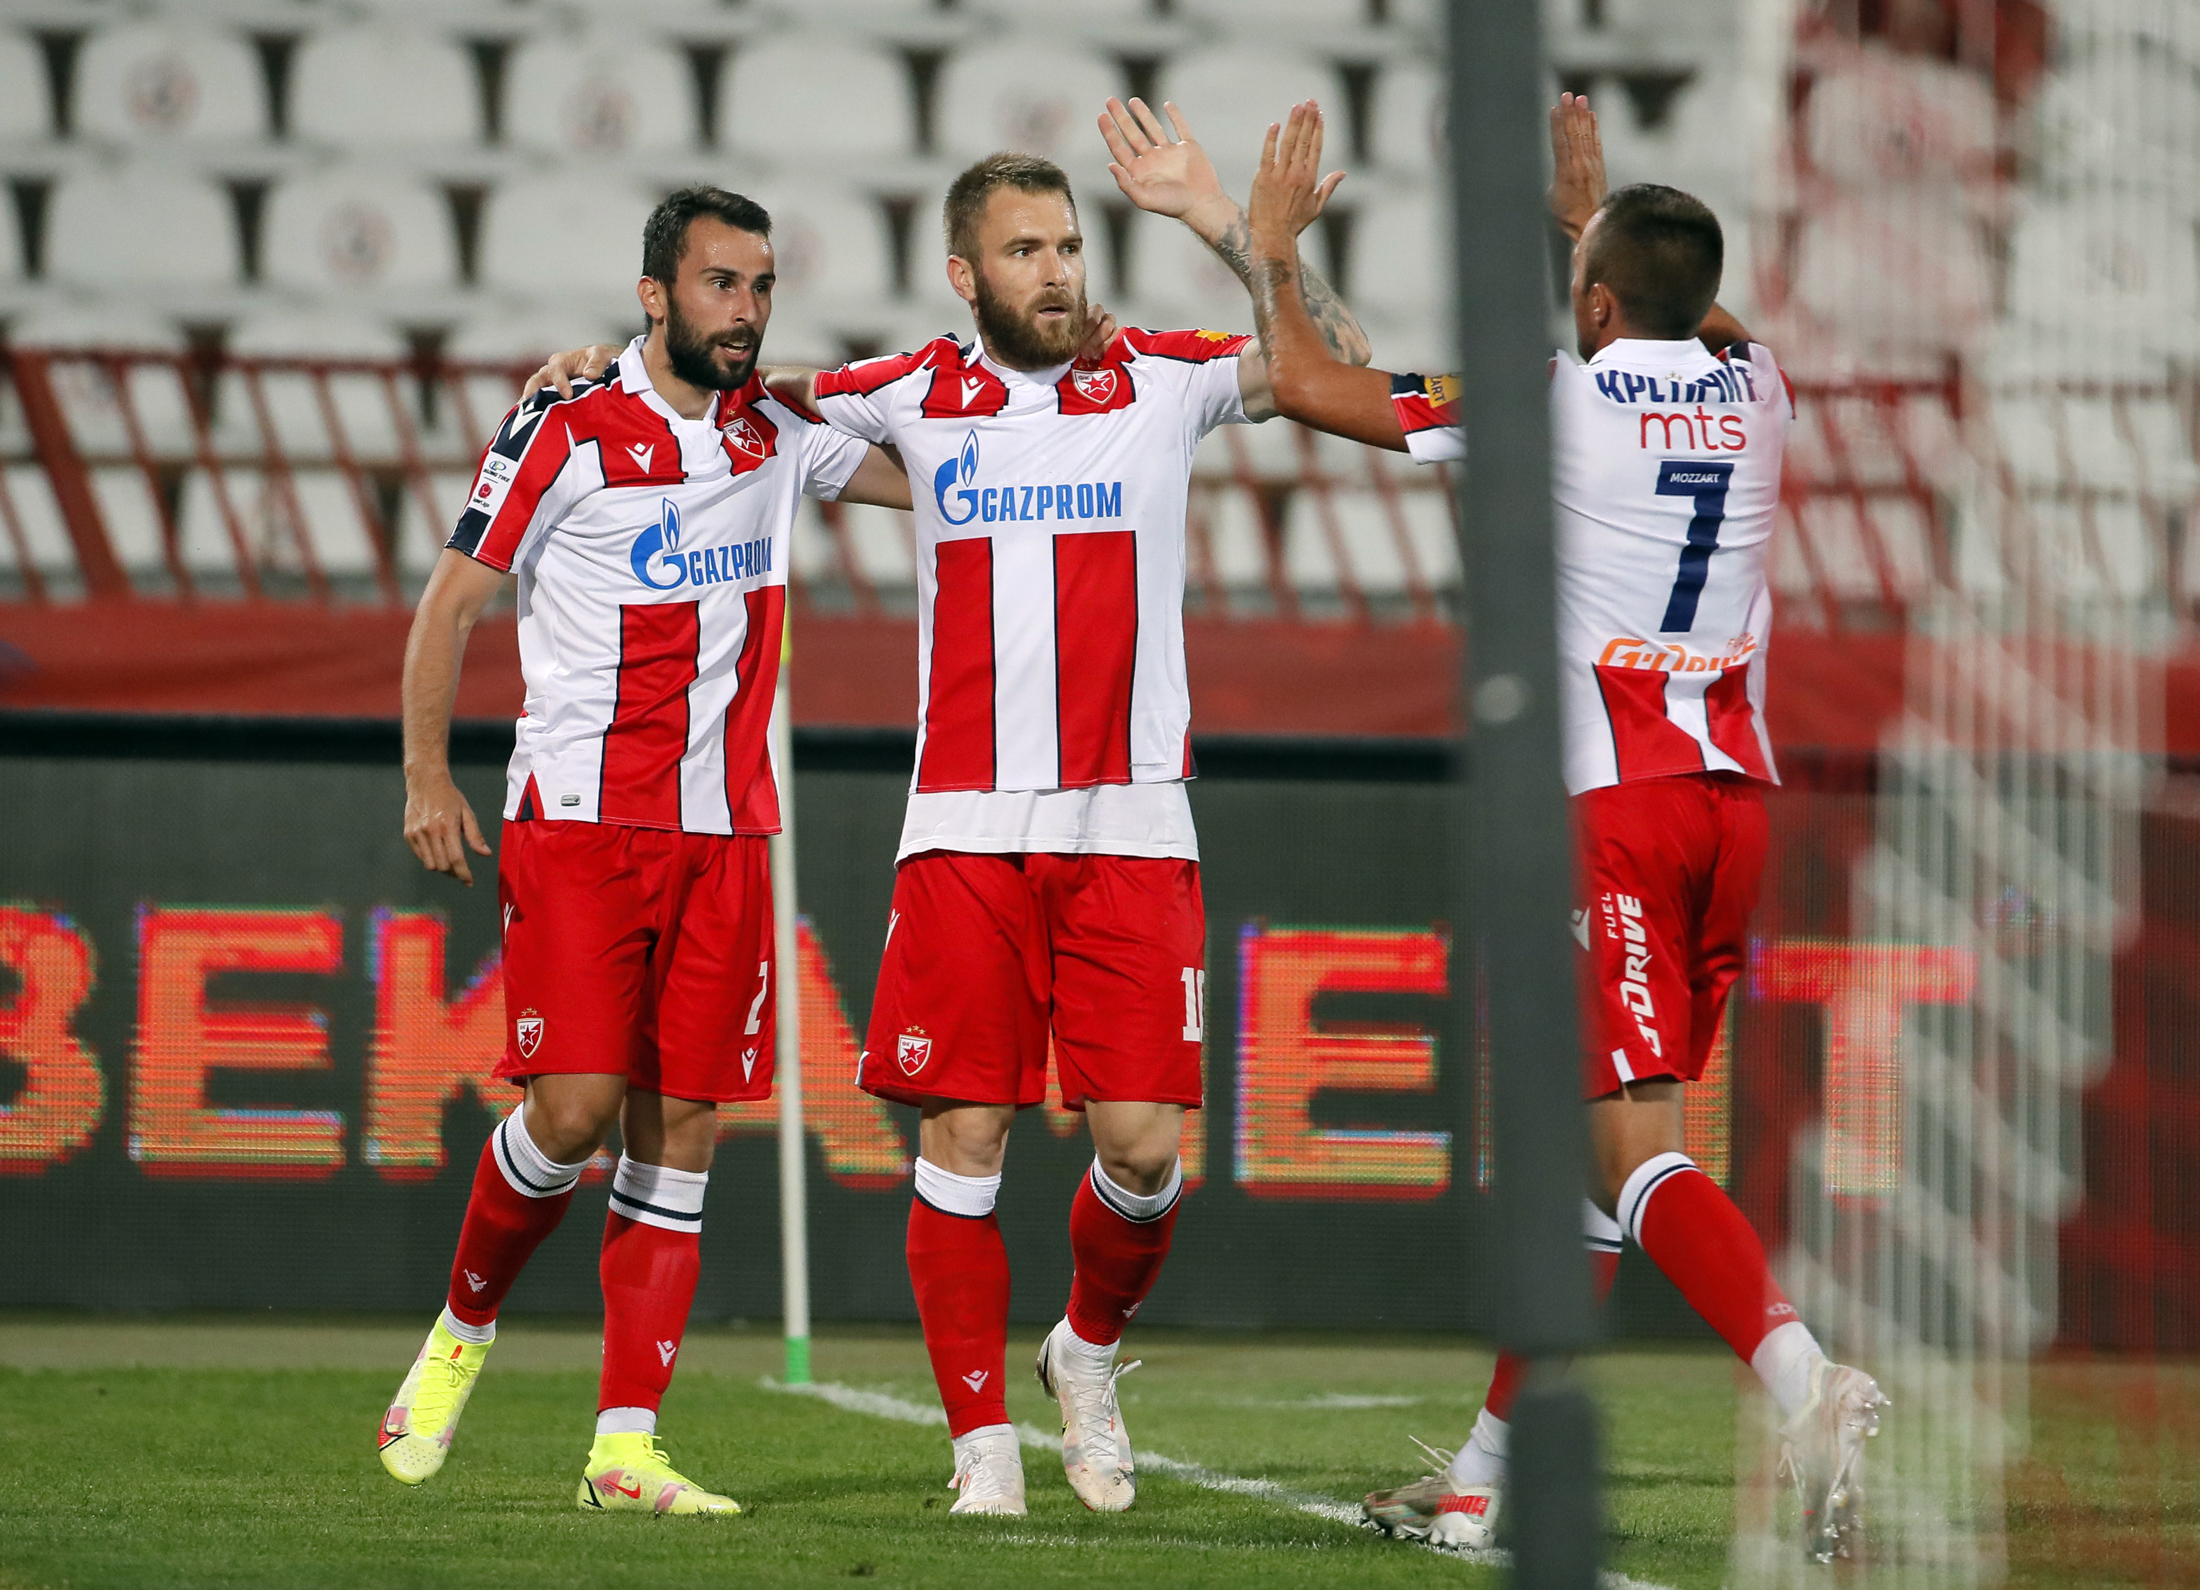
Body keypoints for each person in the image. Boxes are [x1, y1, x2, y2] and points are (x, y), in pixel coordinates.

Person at [530, 103, 1370, 1518]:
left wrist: (1238, 235)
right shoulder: (899, 394)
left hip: (1135, 824)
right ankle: (981, 1444)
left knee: (1145, 1152)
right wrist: (590, 366)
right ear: (965, 277)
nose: (1058, 270)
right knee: (961, 1139)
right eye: (1025, 250)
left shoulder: (1162, 376)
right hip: (966, 832)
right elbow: (710, 387)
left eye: (1071, 243)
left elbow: (1335, 374)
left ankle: (1083, 1349)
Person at [1237, 97, 1889, 1564]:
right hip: (1741, 808)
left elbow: (1301, 381)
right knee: (1609, 1162)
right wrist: (1587, 233)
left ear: (1593, 302)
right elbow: (1682, 304)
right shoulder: (1761, 386)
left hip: (1618, 811)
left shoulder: (1547, 399)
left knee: (1626, 1150)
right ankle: (1480, 1482)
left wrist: (1272, 251)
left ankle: (1805, 1382)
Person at [385, 185, 911, 1515]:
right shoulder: (564, 424)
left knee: (682, 1137)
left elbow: (938, 484)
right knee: (566, 1112)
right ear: (656, 295)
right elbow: (452, 601)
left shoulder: (779, 427)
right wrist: (428, 777)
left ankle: (626, 1446)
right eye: (724, 284)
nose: (747, 311)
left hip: (727, 838)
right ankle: (460, 1334)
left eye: (763, 285)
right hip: (580, 826)